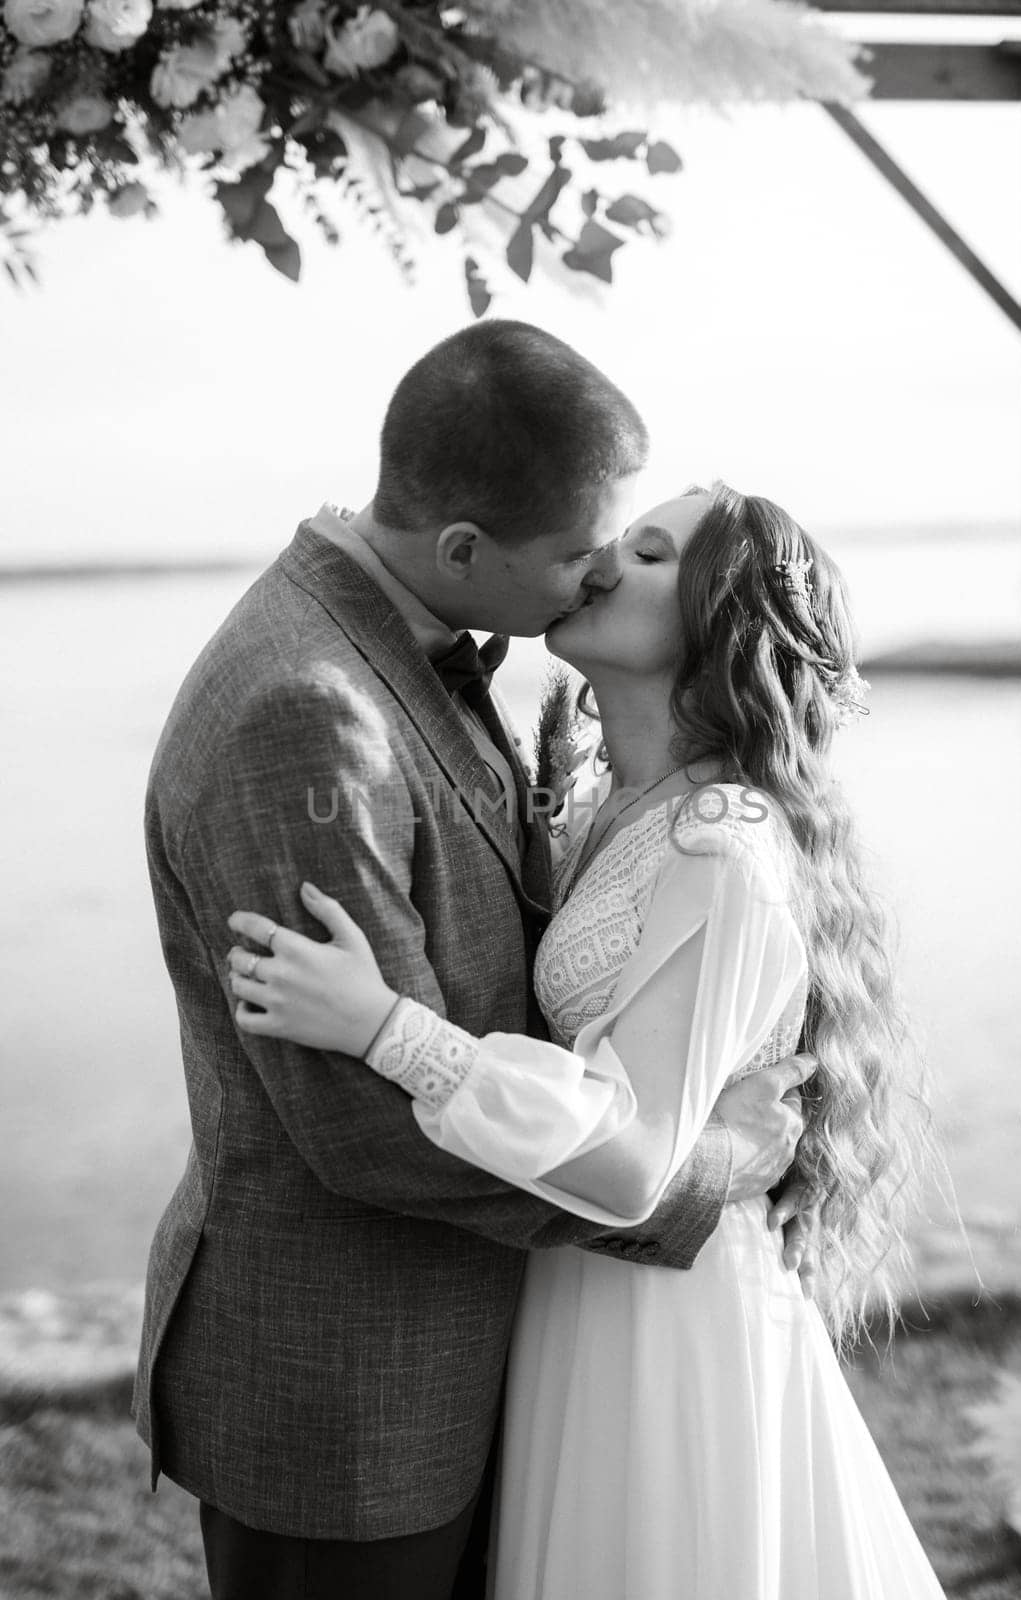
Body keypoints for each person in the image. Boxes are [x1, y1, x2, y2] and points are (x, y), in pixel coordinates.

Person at [135, 321, 813, 1600]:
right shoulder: (310, 712)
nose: (590, 578)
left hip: (490, 1354)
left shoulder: (435, 660)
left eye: (628, 551)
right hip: (347, 1392)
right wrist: (699, 1169)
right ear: (462, 552)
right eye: (578, 554)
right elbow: (363, 1128)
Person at [227, 483, 946, 1599]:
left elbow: (629, 1152)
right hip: (580, 1283)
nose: (604, 560)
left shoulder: (724, 848)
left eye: (649, 552)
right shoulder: (620, 801)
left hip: (670, 1322)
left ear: (716, 622)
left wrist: (386, 1027)